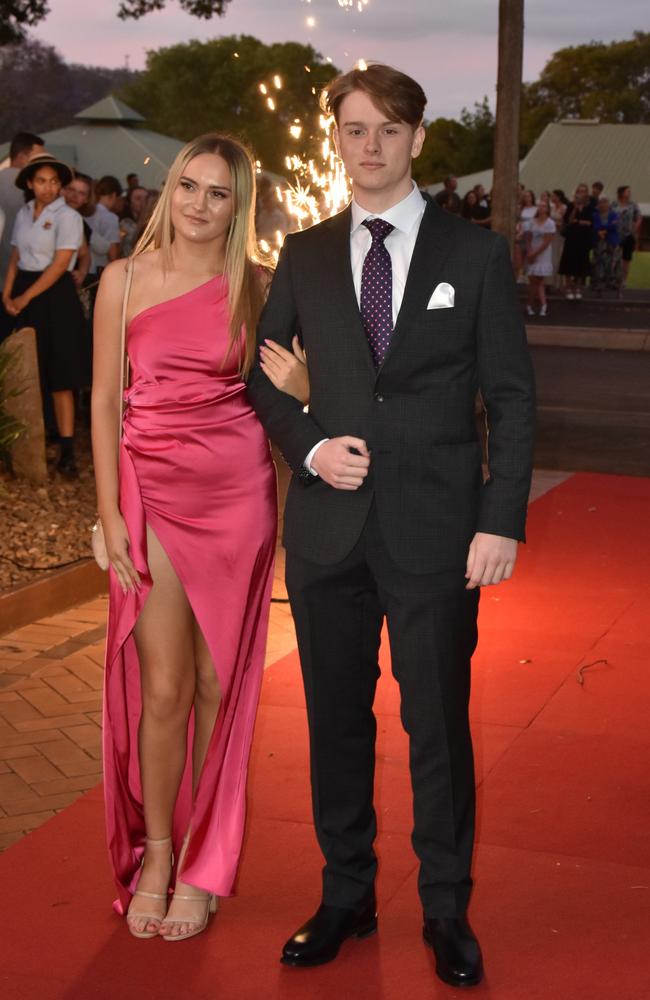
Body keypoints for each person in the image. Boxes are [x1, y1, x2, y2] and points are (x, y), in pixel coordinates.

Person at [247, 62, 535, 990]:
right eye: (352, 130)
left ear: (417, 138)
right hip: (329, 529)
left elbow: (513, 400)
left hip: (437, 533)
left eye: (385, 130)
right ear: (337, 138)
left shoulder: (475, 254)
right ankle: (346, 894)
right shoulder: (304, 253)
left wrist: (501, 521)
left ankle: (446, 908)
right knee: (334, 722)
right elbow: (261, 377)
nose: (367, 147)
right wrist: (310, 445)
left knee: (437, 727)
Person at [92, 132, 306, 942]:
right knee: (164, 688)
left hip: (236, 492)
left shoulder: (258, 287)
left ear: (238, 205)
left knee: (220, 685)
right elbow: (108, 402)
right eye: (190, 186)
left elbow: (288, 392)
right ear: (168, 189)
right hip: (148, 491)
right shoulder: (122, 279)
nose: (200, 205)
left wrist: (310, 385)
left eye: (219, 193)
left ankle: (205, 860)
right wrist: (109, 512)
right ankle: (155, 852)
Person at [2, 152, 88, 476]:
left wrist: (25, 297)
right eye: (41, 181)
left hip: (53, 294)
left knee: (60, 372)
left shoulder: (68, 216)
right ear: (29, 183)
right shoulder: (24, 212)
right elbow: (14, 255)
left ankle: (67, 451)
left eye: (54, 181)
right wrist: (8, 293)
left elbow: (59, 264)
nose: (49, 187)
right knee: (22, 370)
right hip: (23, 287)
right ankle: (24, 443)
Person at [558, 183, 593, 299]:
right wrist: (575, 208)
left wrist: (580, 222)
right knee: (569, 261)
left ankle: (578, 287)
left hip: (583, 238)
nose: (581, 193)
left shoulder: (590, 206)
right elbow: (569, 220)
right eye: (579, 191)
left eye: (583, 191)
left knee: (581, 263)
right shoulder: (571, 205)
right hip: (572, 237)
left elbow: (590, 222)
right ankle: (568, 287)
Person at [523, 200, 555, 316]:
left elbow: (546, 242)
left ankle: (535, 304)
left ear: (547, 209)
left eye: (544, 206)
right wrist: (529, 251)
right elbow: (528, 238)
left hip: (543, 252)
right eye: (540, 206)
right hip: (533, 249)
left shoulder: (550, 223)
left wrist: (534, 253)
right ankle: (537, 304)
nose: (541, 208)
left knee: (538, 279)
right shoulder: (532, 222)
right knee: (533, 279)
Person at [87, 175, 122, 277]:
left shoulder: (87, 212)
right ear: (114, 195)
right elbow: (113, 254)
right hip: (100, 271)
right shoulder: (110, 218)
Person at [611, 185, 641, 290]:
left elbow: (638, 218)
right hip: (616, 234)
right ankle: (613, 279)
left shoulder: (633, 205)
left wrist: (634, 228)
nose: (629, 193)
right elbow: (609, 215)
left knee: (626, 259)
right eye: (627, 191)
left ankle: (623, 280)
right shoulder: (614, 204)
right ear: (621, 192)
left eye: (630, 192)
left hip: (628, 235)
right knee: (614, 257)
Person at [591, 195, 622, 294]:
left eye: (605, 202)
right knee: (599, 262)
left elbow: (614, 226)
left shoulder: (614, 214)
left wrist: (603, 230)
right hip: (599, 241)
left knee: (613, 262)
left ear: (608, 204)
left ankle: (612, 282)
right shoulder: (595, 215)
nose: (603, 204)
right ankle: (598, 283)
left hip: (612, 241)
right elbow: (595, 226)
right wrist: (601, 230)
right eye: (601, 202)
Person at [119, 185, 149, 256]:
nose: (143, 202)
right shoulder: (124, 223)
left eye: (146, 198)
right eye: (138, 199)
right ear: (130, 203)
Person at [549, 189, 568, 289]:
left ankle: (559, 283)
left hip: (559, 234)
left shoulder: (564, 208)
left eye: (553, 196)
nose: (552, 198)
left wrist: (558, 225)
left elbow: (565, 222)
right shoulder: (551, 208)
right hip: (552, 235)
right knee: (551, 258)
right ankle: (551, 282)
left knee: (558, 257)